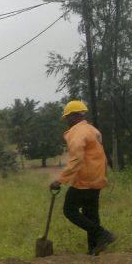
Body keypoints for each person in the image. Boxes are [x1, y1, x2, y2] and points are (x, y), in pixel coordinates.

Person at [50, 100, 116, 255]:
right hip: (97, 178)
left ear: (73, 116)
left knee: (69, 210)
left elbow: (77, 159)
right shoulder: (92, 130)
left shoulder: (77, 132)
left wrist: (60, 180)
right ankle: (94, 250)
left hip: (85, 180)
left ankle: (103, 234)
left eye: (67, 118)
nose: (66, 121)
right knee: (90, 214)